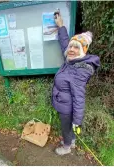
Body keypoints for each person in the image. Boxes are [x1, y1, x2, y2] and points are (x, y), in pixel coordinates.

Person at [51, 12, 100, 155]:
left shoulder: (80, 70)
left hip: (67, 108)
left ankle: (66, 147)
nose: (71, 49)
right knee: (67, 128)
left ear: (83, 51)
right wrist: (61, 26)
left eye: (76, 47)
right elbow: (65, 44)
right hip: (64, 103)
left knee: (66, 127)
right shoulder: (72, 60)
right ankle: (71, 141)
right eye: (71, 47)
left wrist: (77, 121)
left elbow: (79, 98)